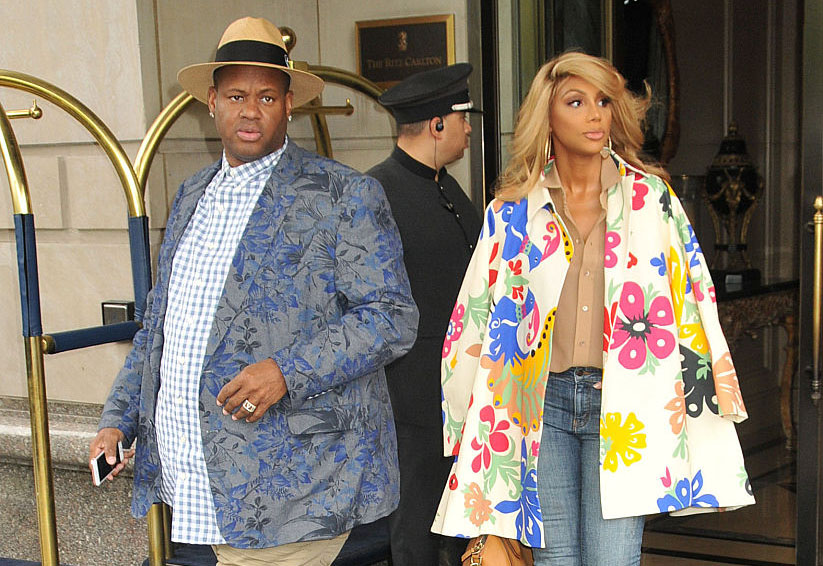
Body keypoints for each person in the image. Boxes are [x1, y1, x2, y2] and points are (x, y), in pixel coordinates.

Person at [88, 16, 418, 566]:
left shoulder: (344, 195)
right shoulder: (192, 196)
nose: (250, 110)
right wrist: (117, 420)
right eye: (237, 95)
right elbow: (159, 329)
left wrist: (287, 370)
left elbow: (390, 317)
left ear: (289, 105)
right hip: (185, 496)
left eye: (267, 96)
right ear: (212, 102)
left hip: (294, 503)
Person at [430, 51, 755, 565]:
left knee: (613, 559)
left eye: (604, 100)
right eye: (576, 102)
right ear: (548, 116)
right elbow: (476, 315)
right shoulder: (513, 209)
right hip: (542, 407)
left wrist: (715, 395)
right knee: (557, 559)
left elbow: (694, 302)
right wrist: (462, 413)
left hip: (623, 405)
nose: (595, 114)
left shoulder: (652, 201)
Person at [367, 64, 483, 566]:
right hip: (411, 401)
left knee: (460, 531)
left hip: (463, 395)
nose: (470, 128)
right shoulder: (375, 192)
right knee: (414, 535)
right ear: (438, 124)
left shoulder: (451, 190)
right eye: (463, 118)